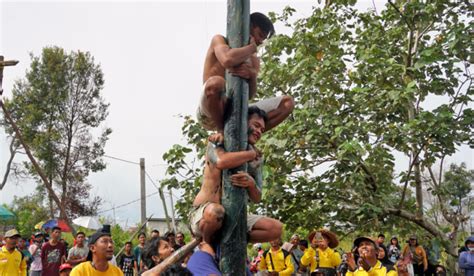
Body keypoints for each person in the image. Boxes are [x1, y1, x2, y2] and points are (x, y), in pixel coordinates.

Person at [190, 107, 282, 247]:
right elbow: (221, 161)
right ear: (242, 123)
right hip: (205, 214)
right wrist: (250, 155)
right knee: (215, 212)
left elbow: (257, 198)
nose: (259, 132)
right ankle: (207, 244)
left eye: (262, 130)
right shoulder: (218, 140)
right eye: (256, 126)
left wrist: (251, 184)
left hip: (233, 218)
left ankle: (235, 239)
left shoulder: (257, 158)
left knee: (275, 228)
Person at [198, 12, 294, 133]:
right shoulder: (219, 40)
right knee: (216, 83)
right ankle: (222, 131)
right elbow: (227, 59)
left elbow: (249, 95)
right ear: (249, 26)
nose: (259, 41)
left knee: (287, 103)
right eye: (259, 35)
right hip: (211, 110)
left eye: (263, 39)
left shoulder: (254, 60)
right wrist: (251, 48)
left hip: (237, 109)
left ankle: (247, 135)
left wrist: (252, 76)